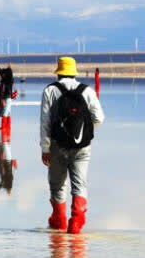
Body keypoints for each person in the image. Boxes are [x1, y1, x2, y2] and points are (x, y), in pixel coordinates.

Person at [40, 57, 105, 234]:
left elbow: (45, 122)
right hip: (82, 147)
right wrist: (83, 132)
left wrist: (45, 149)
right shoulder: (87, 91)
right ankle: (75, 224)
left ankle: (59, 222)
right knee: (80, 185)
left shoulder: (50, 90)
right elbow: (99, 118)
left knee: (57, 186)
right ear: (74, 72)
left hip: (56, 146)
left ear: (59, 72)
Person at [0, 64, 16, 133]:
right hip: (7, 97)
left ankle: (3, 127)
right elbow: (1, 73)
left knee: (6, 112)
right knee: (8, 112)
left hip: (7, 97)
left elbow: (3, 73)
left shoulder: (8, 79)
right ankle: (7, 126)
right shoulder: (8, 78)